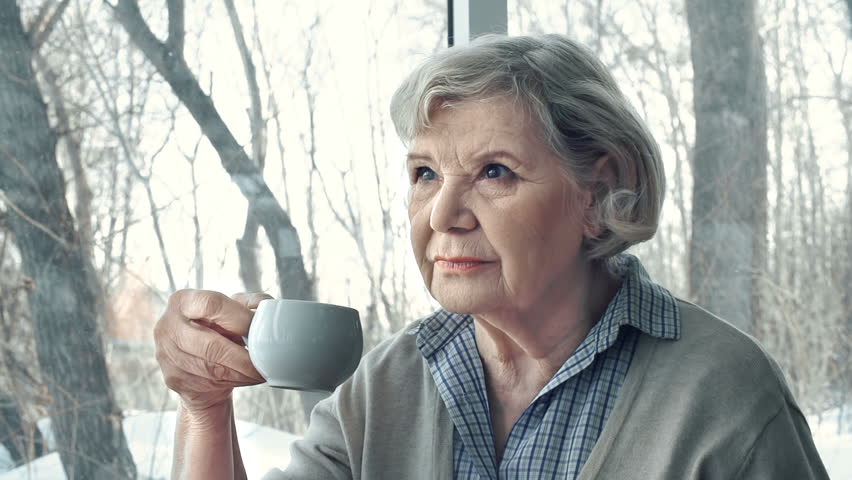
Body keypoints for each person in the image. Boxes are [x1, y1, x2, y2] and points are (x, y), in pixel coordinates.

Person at [154, 34, 829, 479]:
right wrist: (203, 408)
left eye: (495, 172)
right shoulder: (385, 388)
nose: (442, 215)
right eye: (424, 174)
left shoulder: (728, 402)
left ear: (597, 192)